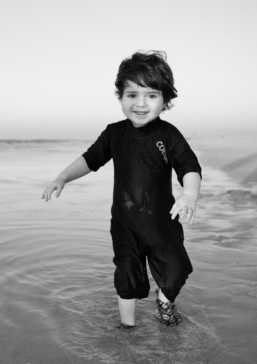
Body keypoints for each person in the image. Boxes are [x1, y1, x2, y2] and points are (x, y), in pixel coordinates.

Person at [41, 51, 202, 328]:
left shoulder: (168, 134)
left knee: (175, 269)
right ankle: (127, 327)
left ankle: (164, 301)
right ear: (120, 97)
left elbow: (190, 167)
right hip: (125, 224)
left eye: (151, 95)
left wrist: (189, 194)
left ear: (165, 100)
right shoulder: (114, 133)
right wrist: (63, 176)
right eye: (131, 95)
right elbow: (90, 159)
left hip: (163, 223)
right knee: (126, 275)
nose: (140, 104)